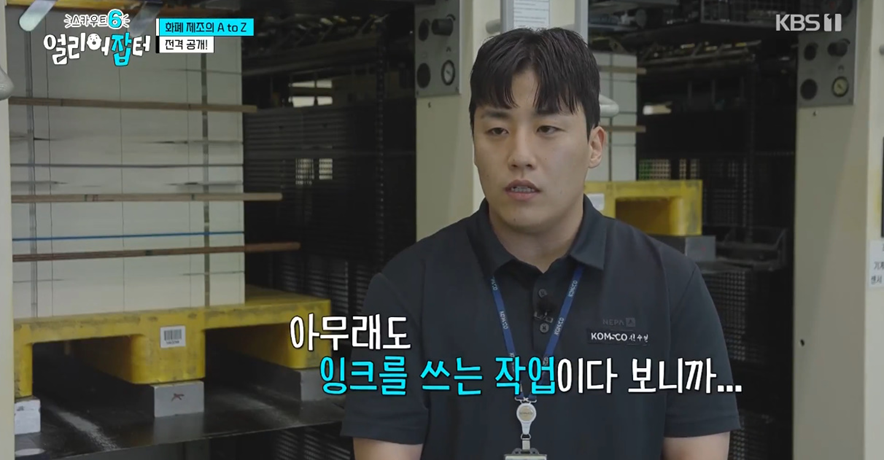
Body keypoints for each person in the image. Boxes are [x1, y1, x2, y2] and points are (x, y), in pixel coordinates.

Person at [340, 27, 740, 459]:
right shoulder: (404, 292)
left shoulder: (671, 287)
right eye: (496, 130)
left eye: (547, 128)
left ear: (594, 145)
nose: (520, 155)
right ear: (474, 143)